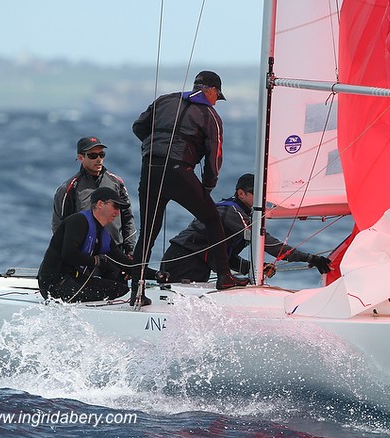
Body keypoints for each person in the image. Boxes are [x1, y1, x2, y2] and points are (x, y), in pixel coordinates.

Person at [131, 70, 248, 300]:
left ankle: (136, 291)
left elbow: (138, 127)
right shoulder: (209, 115)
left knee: (148, 233)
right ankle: (225, 277)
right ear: (211, 90)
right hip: (179, 171)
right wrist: (207, 186)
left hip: (151, 169)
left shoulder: (164, 100)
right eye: (217, 96)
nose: (217, 101)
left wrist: (154, 147)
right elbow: (214, 157)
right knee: (212, 218)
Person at [160, 173, 332, 283]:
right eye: (256, 194)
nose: (262, 199)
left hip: (194, 265)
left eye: (264, 194)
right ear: (241, 193)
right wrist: (311, 259)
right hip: (182, 263)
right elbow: (271, 246)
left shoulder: (242, 215)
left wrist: (255, 268)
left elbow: (226, 257)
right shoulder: (230, 212)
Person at [52, 136, 136, 282]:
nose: (99, 159)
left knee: (117, 296)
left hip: (115, 253)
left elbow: (128, 218)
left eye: (102, 155)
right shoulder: (69, 188)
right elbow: (60, 226)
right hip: (87, 257)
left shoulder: (117, 182)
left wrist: (130, 252)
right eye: (92, 155)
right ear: (80, 157)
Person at [38, 187, 133, 303]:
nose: (117, 212)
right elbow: (69, 254)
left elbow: (126, 264)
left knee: (120, 289)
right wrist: (96, 261)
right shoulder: (78, 221)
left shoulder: (103, 235)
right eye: (115, 206)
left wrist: (158, 275)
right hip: (54, 284)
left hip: (74, 279)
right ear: (100, 204)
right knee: (112, 289)